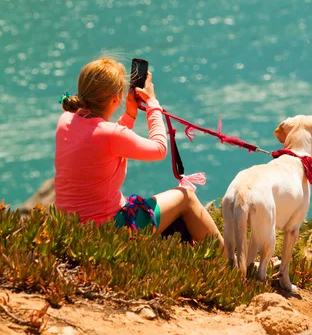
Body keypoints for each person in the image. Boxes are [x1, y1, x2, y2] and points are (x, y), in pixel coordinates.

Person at [54, 57, 224, 247]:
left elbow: (105, 143)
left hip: (68, 229)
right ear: (115, 99)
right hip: (104, 234)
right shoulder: (111, 135)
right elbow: (159, 149)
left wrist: (130, 115)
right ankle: (234, 264)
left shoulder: (66, 120)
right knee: (186, 196)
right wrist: (153, 105)